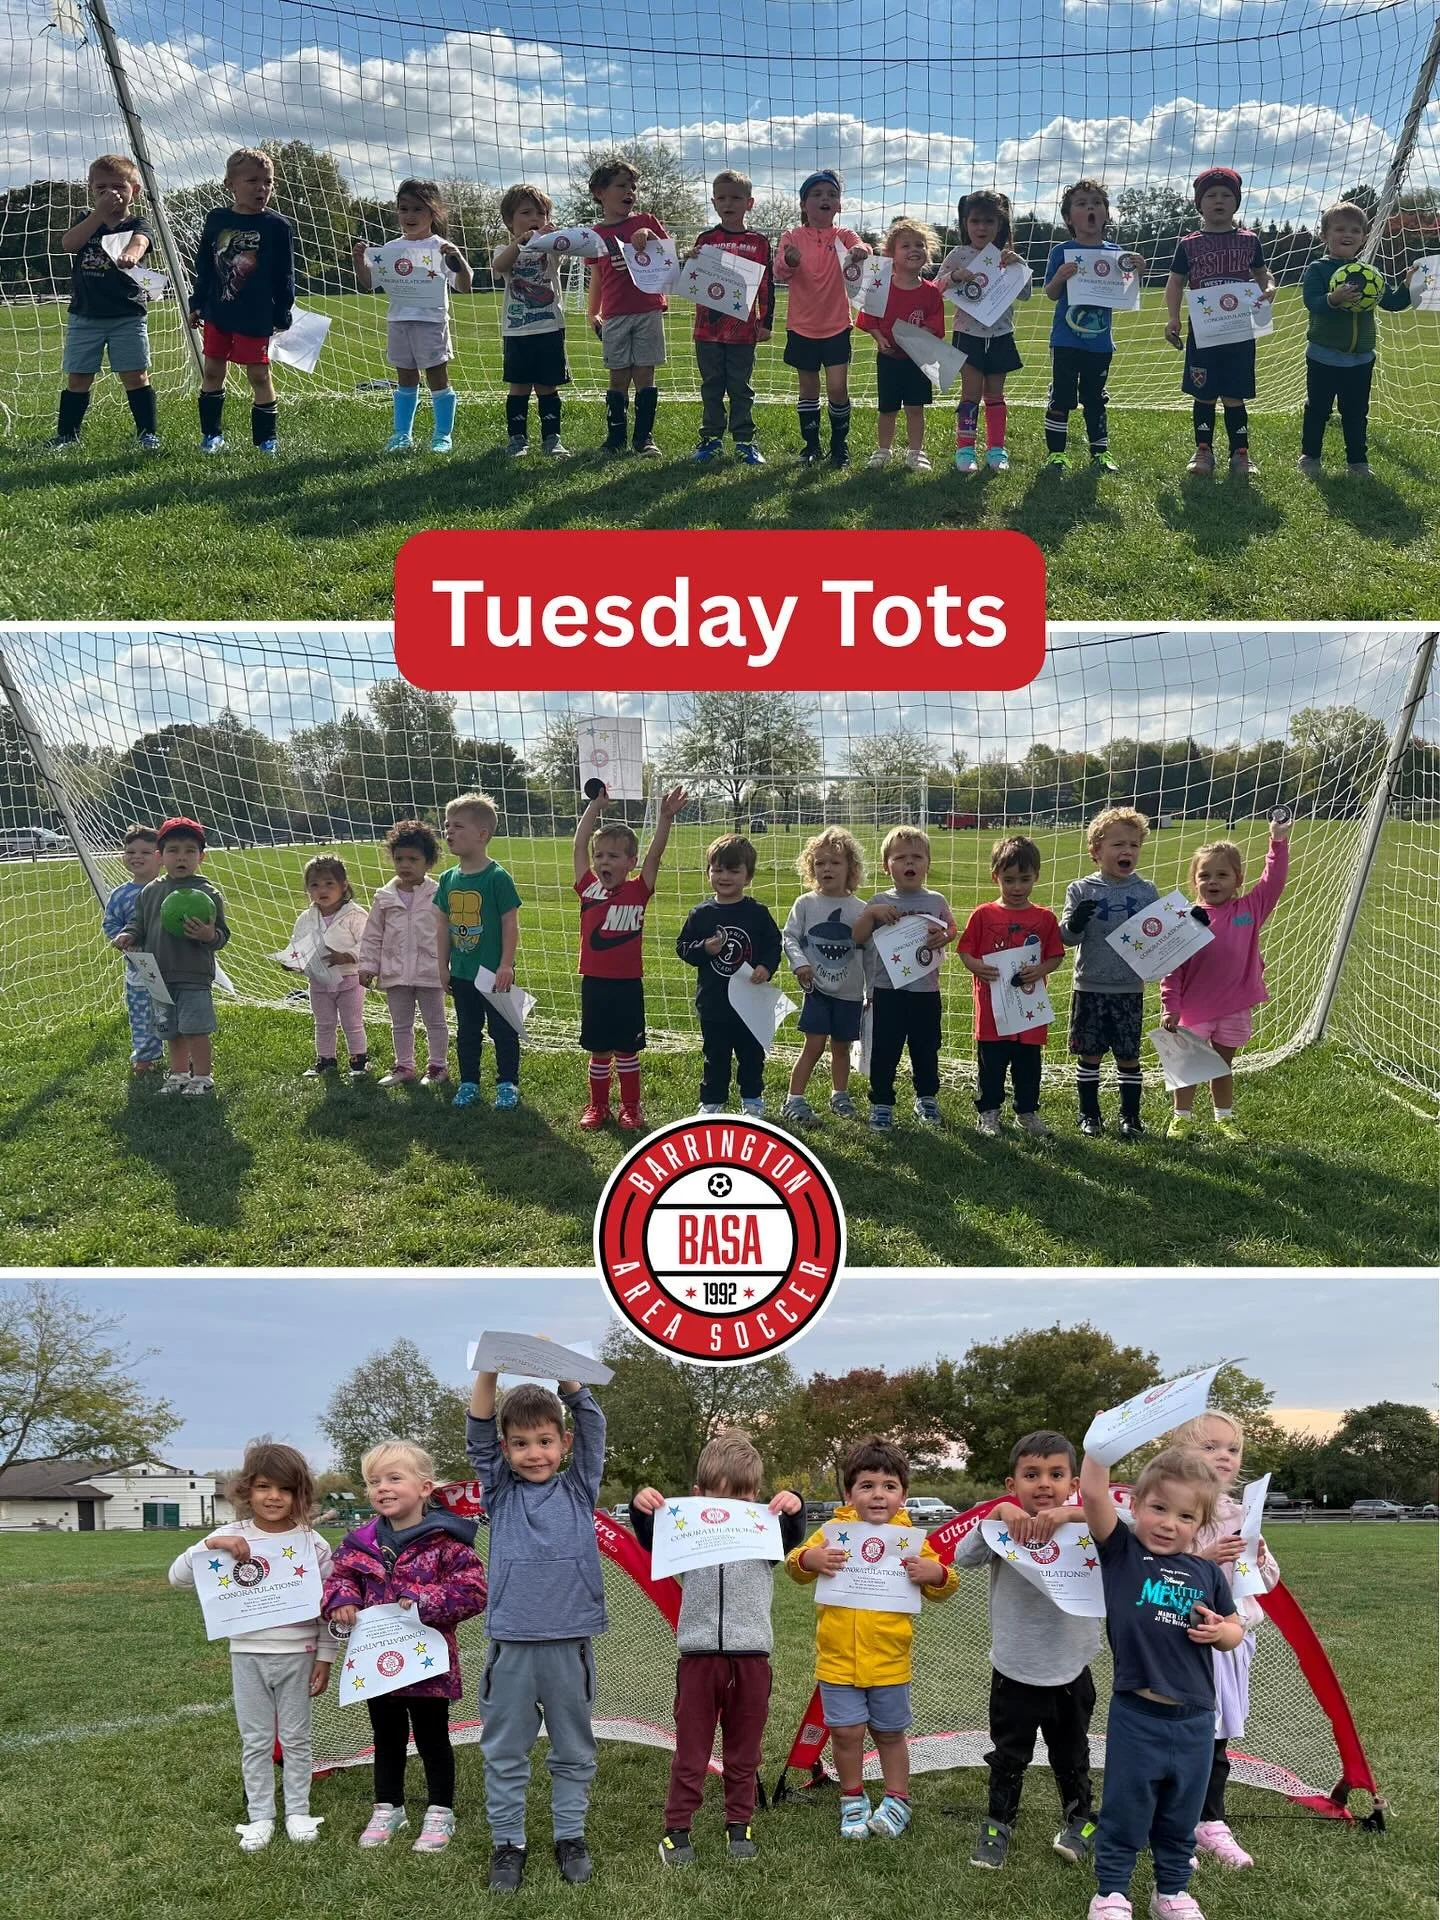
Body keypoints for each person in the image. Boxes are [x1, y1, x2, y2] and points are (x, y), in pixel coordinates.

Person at [1079, 1432, 1243, 1920]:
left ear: (1202, 1524)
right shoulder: (1123, 1554)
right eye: (1158, 1509)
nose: (1169, 1524)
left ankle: (1171, 1891)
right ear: (1135, 1505)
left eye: (1186, 1516)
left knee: (1181, 1813)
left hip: (1195, 1719)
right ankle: (1111, 1893)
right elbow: (1091, 1492)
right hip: (1137, 1713)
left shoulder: (1207, 1573)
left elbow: (1234, 1628)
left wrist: (1222, 1632)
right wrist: (1102, 1440)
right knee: (1126, 1807)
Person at [631, 1430, 805, 1865]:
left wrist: (795, 1505)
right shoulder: (687, 1535)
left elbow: (791, 1538)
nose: (734, 1510)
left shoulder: (764, 1537)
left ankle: (739, 1824)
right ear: (698, 1495)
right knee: (691, 1751)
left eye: (744, 1500)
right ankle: (677, 1830)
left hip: (752, 1660)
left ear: (756, 1497)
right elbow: (652, 1540)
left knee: (744, 1752)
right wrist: (643, 1509)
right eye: (721, 1499)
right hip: (698, 1659)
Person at [466, 1367, 608, 1891]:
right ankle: (508, 1843)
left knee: (573, 1748)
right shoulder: (499, 1494)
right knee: (505, 1751)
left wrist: (565, 1372)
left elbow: (593, 1422)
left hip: (569, 1644)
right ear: (506, 1449)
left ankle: (569, 1835)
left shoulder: (579, 1487)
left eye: (545, 1441)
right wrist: (489, 1367)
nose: (534, 1453)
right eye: (521, 1443)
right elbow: (477, 1431)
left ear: (563, 1442)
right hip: (512, 1646)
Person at [786, 1437, 957, 1839]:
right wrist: (810, 1559)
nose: (878, 1495)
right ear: (849, 1492)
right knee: (846, 1733)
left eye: (889, 1486)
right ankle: (853, 1800)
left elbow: (945, 1585)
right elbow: (796, 1566)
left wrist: (935, 1574)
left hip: (889, 1662)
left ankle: (898, 1800)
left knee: (890, 1733)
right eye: (867, 1486)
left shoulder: (912, 1540)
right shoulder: (832, 1533)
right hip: (837, 1660)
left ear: (903, 1494)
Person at [168, 1440, 335, 1849]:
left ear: (299, 1494)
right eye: (264, 1487)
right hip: (247, 1655)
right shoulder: (228, 1536)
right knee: (256, 1739)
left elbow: (331, 1606)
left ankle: (298, 1812)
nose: (274, 1497)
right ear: (247, 1490)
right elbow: (177, 1577)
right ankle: (260, 1816)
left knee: (296, 1739)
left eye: (284, 1489)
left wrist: (326, 1657)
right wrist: (207, 1546)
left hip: (300, 1655)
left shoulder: (313, 1544)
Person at [322, 1440, 487, 1852]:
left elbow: (473, 1590)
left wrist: (425, 1599)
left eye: (394, 1478)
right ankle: (388, 1806)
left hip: (428, 1664)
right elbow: (339, 1580)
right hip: (376, 1665)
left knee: (433, 1738)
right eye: (374, 1481)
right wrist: (342, 1601)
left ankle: (440, 1811)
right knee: (387, 1736)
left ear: (425, 1487)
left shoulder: (448, 1542)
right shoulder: (358, 1544)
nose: (383, 1488)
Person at [950, 1430, 1100, 1870]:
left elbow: (1130, 1527)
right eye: (1031, 1474)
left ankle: (1081, 1821)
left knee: (1071, 1754)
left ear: (1073, 1483)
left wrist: (1074, 1513)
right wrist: (996, 1513)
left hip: (1071, 1670)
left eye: (1056, 1474)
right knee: (1008, 1755)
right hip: (1014, 1669)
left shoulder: (1089, 1527)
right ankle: (998, 1824)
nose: (1044, 1484)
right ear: (1012, 1483)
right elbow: (963, 1557)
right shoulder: (1003, 1527)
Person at [1172, 1412, 1280, 1871]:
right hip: (1183, 1643)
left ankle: (1210, 1821)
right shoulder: (1169, 1508)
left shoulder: (1242, 1514)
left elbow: (1268, 1582)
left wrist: (1257, 1560)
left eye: (1232, 1449)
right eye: (1209, 1447)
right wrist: (1204, 1556)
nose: (1223, 1457)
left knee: (1217, 1739)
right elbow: (1155, 1574)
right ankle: (1173, 1824)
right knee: (1182, 1737)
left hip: (1231, 1644)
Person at [1160, 820, 1290, 1141]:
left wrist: (1278, 843)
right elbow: (1171, 968)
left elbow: (1273, 882)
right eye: (1204, 875)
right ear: (1194, 881)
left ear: (1238, 880)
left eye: (1222, 875)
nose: (1213, 881)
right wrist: (1170, 1006)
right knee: (1186, 1065)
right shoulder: (1186, 919)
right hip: (1193, 1008)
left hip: (1235, 1006)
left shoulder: (1249, 909)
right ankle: (1181, 1118)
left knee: (1222, 1065)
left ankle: (1224, 1119)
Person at [572, 781, 687, 1130]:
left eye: (613, 856)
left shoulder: (639, 889)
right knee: (599, 1050)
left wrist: (665, 818)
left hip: (627, 985)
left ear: (630, 862)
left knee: (627, 1050)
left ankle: (631, 1108)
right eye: (600, 856)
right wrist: (595, 807)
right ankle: (598, 1106)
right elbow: (579, 844)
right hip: (594, 984)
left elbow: (655, 855)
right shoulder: (588, 887)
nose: (604, 861)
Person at [1164, 168, 1274, 477]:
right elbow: (1175, 282)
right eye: (1211, 195)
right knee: (1205, 393)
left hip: (1239, 331)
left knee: (1234, 394)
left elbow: (1262, 274)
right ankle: (1203, 451)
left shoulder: (1249, 241)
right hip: (1203, 331)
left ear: (1236, 202)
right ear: (1200, 204)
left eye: (1226, 195)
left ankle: (1240, 454)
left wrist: (1269, 288)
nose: (1219, 200)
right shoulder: (1188, 244)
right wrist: (1173, 317)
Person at [1059, 807, 1160, 1139]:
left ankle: (1130, 1117)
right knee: (1090, 1055)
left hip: (1129, 988)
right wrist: (1075, 923)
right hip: (1090, 986)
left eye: (1133, 844)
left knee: (1128, 1056)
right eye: (1118, 844)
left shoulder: (1147, 891)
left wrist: (1191, 922)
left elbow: (1162, 937)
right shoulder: (1080, 890)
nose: (1127, 851)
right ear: (1096, 851)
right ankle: (1089, 1115)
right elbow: (1068, 937)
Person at [352, 178, 472, 454]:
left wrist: (459, 260)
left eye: (418, 209)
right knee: (405, 378)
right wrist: (360, 263)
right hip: (399, 321)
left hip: (431, 323)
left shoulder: (441, 247)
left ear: (434, 213)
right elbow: (370, 283)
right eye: (404, 209)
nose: (410, 216)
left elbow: (465, 285)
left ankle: (442, 436)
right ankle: (401, 434)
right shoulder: (391, 249)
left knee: (436, 377)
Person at [1298, 201, 1418, 478]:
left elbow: (1392, 302)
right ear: (1324, 236)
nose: (1347, 234)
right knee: (1318, 409)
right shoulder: (1318, 269)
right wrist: (1333, 299)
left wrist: (1407, 286)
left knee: (1355, 413)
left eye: (1354, 230)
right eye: (1339, 229)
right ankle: (1310, 456)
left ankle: (1357, 462)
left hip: (1361, 358)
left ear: (1364, 238)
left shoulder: (1370, 274)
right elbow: (1312, 302)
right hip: (1322, 355)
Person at [113, 815, 230, 1098]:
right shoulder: (150, 892)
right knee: (171, 1030)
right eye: (173, 850)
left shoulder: (207, 893)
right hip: (158, 977)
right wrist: (129, 935)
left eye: (190, 851)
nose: (182, 857)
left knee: (195, 1028)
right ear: (160, 856)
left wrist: (207, 936)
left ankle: (202, 1076)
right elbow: (139, 924)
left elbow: (222, 936)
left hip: (193, 975)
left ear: (201, 857)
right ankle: (178, 1074)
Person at [956, 834, 1065, 1137]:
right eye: (1009, 879)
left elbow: (1056, 955)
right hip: (993, 1012)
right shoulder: (983, 915)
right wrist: (976, 966)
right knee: (991, 1066)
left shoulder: (1044, 918)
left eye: (1025, 879)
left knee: (1028, 1068)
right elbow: (965, 951)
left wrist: (1041, 969)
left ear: (1036, 877)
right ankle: (988, 1113)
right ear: (996, 877)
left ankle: (1026, 1113)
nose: (1017, 887)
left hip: (1028, 1012)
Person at [188, 147, 295, 454]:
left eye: (268, 181)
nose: (262, 188)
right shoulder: (217, 220)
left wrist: (282, 312)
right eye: (252, 180)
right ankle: (212, 436)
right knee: (212, 372)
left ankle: (266, 439)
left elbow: (284, 274)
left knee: (259, 374)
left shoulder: (277, 226)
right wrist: (197, 302)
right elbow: (205, 266)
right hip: (218, 310)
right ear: (230, 184)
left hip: (256, 313)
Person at [51, 154, 159, 450]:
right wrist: (97, 214)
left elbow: (141, 242)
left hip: (127, 315)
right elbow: (68, 244)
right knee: (79, 377)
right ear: (91, 189)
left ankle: (148, 434)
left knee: (135, 376)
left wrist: (132, 255)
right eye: (101, 188)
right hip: (85, 316)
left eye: (118, 186)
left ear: (133, 191)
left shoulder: (138, 222)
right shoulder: (86, 222)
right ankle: (67, 435)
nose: (111, 193)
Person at [853, 826, 957, 1130]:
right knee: (885, 1050)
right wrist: (872, 915)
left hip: (926, 991)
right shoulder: (878, 901)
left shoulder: (936, 900)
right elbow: (857, 937)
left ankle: (926, 1098)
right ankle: (881, 1103)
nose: (909, 863)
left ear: (927, 864)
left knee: (926, 1048)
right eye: (900, 857)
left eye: (917, 857)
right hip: (887, 991)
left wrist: (944, 937)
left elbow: (951, 928)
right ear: (887, 866)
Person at [675, 833, 783, 1115]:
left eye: (734, 871)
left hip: (750, 1002)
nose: (725, 876)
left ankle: (752, 1100)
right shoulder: (700, 914)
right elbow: (683, 948)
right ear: (708, 872)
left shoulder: (757, 912)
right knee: (715, 1056)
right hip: (713, 1002)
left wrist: (765, 967)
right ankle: (712, 1100)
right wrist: (704, 948)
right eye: (718, 869)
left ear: (748, 876)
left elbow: (774, 944)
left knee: (751, 1055)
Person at [774, 169, 871, 465]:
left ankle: (839, 446)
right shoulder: (792, 236)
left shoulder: (843, 235)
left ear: (839, 205)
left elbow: (864, 247)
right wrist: (789, 261)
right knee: (808, 389)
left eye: (831, 194)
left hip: (837, 325)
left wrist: (859, 250)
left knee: (838, 388)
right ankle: (811, 446)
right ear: (804, 204)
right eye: (816, 194)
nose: (824, 199)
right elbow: (778, 271)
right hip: (802, 326)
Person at [433, 792, 522, 1110]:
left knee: (503, 1031)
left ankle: (507, 1084)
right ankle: (469, 1082)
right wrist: (443, 966)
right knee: (468, 1031)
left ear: (482, 834)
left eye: (457, 826)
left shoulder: (497, 877)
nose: (448, 832)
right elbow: (443, 926)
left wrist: (506, 965)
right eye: (447, 825)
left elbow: (510, 923)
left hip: (494, 975)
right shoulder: (446, 879)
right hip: (462, 972)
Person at [1043, 180, 1135, 473]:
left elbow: (1125, 294)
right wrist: (1059, 277)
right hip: (1066, 340)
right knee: (1062, 396)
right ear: (1069, 218)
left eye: (1096, 203)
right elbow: (1050, 293)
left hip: (1100, 343)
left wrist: (1137, 270)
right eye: (1081, 204)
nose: (1090, 208)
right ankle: (1056, 454)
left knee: (1095, 398)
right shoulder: (1062, 252)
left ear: (1106, 214)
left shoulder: (1116, 253)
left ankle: (1100, 452)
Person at [937, 189, 1031, 473]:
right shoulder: (958, 255)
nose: (981, 227)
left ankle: (996, 450)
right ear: (964, 223)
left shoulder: (1006, 257)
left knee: (995, 394)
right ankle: (965, 450)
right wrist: (954, 277)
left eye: (989, 222)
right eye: (975, 221)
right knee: (971, 393)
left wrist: (1020, 265)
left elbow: (1026, 293)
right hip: (968, 336)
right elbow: (936, 289)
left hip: (1000, 335)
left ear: (1000, 225)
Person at [780, 826, 867, 1125]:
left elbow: (870, 951)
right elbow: (789, 937)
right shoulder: (805, 904)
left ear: (850, 868)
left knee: (841, 1048)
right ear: (810, 867)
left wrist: (872, 991)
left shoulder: (862, 910)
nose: (826, 868)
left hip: (851, 993)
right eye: (819, 863)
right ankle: (794, 1100)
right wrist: (800, 963)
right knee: (814, 1046)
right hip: (817, 990)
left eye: (835, 862)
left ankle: (839, 1095)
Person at [687, 170, 775, 465]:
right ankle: (711, 440)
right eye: (722, 198)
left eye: (736, 198)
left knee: (740, 387)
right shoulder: (705, 240)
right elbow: (693, 281)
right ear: (713, 202)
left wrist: (766, 321)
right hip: (707, 331)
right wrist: (690, 261)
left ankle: (744, 441)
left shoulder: (759, 242)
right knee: (711, 385)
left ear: (749, 203)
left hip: (743, 332)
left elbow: (766, 284)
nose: (729, 203)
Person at [586, 158, 669, 456]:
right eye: (621, 185)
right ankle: (615, 438)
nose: (629, 191)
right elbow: (596, 275)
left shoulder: (645, 222)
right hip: (615, 315)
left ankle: (644, 438)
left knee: (645, 374)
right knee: (618, 376)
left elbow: (667, 256)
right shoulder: (595, 235)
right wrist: (592, 312)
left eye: (633, 186)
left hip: (648, 311)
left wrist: (649, 236)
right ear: (600, 192)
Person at [358, 819, 449, 1086]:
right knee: (400, 1024)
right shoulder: (384, 897)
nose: (405, 865)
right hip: (395, 971)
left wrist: (451, 966)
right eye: (399, 859)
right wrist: (367, 966)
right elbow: (372, 934)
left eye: (413, 859)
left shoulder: (439, 893)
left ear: (428, 862)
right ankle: (404, 1067)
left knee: (436, 1022)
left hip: (431, 972)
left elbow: (449, 933)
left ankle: (437, 1067)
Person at [858, 218, 946, 472]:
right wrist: (879, 337)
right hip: (889, 358)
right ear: (891, 255)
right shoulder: (880, 286)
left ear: (927, 253)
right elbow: (869, 318)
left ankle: (916, 453)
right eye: (905, 245)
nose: (913, 249)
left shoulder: (931, 292)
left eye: (919, 244)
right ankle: (883, 450)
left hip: (917, 360)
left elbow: (935, 324)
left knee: (915, 408)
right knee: (887, 408)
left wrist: (917, 336)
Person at [492, 182, 571, 458]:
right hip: (517, 331)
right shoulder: (506, 248)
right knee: (520, 386)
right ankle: (517, 439)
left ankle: (552, 439)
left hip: (549, 327)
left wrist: (552, 238)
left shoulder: (550, 249)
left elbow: (565, 248)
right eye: (526, 212)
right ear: (509, 221)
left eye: (541, 213)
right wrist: (520, 243)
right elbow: (499, 267)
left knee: (547, 386)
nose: (535, 218)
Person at [288, 854, 371, 1079]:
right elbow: (297, 944)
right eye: (314, 885)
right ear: (308, 889)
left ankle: (359, 1061)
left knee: (351, 1022)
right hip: (319, 981)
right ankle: (325, 1060)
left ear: (344, 886)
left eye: (329, 884)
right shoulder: (306, 917)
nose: (321, 890)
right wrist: (293, 962)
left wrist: (346, 956)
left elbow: (367, 943)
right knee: (323, 1022)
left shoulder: (354, 914)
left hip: (350, 980)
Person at [102, 824, 164, 1072]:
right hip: (140, 968)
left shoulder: (171, 889)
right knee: (142, 1015)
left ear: (160, 857)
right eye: (130, 851)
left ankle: (189, 1056)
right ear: (123, 857)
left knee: (176, 1012)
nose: (136, 856)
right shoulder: (120, 895)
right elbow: (110, 923)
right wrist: (122, 940)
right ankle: (145, 1057)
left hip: (174, 966)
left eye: (145, 852)